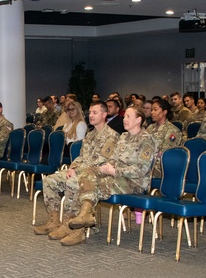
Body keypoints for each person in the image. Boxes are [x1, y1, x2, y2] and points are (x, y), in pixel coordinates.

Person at [41, 106, 156, 247]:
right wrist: (79, 168)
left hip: (133, 183)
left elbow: (141, 169)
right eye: (124, 116)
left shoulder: (146, 140)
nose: (124, 119)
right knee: (86, 178)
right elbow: (112, 159)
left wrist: (114, 170)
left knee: (82, 182)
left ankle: (79, 227)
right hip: (116, 177)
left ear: (139, 120)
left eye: (128, 117)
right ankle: (80, 219)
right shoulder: (124, 137)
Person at [35, 100, 119, 237]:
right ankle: (54, 221)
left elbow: (101, 162)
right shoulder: (90, 135)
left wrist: (77, 172)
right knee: (49, 181)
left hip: (96, 176)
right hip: (81, 171)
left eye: (95, 112)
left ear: (104, 115)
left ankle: (70, 226)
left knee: (73, 182)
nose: (91, 115)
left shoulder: (112, 136)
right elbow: (81, 157)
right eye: (90, 112)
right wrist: (72, 168)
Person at [147, 98, 181, 178]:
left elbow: (164, 154)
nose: (152, 112)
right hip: (146, 163)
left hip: (160, 167)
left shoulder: (172, 131)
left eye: (155, 110)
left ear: (164, 112)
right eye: (151, 110)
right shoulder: (150, 128)